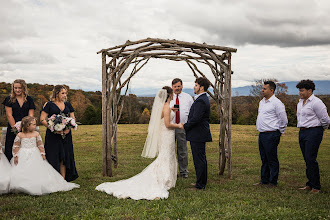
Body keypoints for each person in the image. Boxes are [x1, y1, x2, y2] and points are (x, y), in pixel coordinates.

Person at [96, 86, 183, 200]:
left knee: (168, 155)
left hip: (166, 135)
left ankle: (168, 179)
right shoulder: (166, 107)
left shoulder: (165, 107)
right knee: (165, 155)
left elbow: (160, 118)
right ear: (170, 95)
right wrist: (179, 125)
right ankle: (164, 179)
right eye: (172, 93)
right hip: (167, 134)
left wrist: (171, 111)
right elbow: (167, 124)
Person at [9, 116, 79, 195]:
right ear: (27, 125)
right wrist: (16, 155)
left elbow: (40, 145)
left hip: (34, 153)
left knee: (35, 169)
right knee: (22, 169)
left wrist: (42, 154)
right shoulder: (20, 135)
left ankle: (36, 184)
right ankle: (22, 185)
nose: (35, 126)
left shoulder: (36, 134)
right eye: (33, 124)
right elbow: (16, 146)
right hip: (23, 154)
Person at [296, 79, 330, 193]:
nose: (300, 93)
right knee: (307, 159)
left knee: (311, 158)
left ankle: (316, 186)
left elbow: (325, 119)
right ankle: (309, 184)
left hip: (313, 132)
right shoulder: (300, 102)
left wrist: (320, 130)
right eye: (299, 91)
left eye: (302, 90)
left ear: (310, 90)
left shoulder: (316, 102)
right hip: (302, 132)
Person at [40, 85, 78, 182]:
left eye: (65, 93)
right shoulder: (49, 104)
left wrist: (68, 128)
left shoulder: (68, 105)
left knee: (64, 156)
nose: (65, 95)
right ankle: (52, 178)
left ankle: (63, 179)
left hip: (66, 135)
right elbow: (42, 119)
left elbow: (72, 118)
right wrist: (52, 128)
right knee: (53, 155)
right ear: (56, 93)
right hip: (52, 135)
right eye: (63, 93)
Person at [254, 81, 288, 187]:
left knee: (271, 158)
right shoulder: (262, 102)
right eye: (262, 88)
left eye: (264, 89)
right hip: (262, 134)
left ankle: (273, 181)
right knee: (264, 158)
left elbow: (283, 119)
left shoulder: (277, 103)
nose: (262, 90)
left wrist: (279, 131)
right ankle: (264, 180)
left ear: (271, 90)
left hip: (272, 134)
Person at [183, 77, 212, 190]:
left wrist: (185, 126)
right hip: (198, 133)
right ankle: (200, 181)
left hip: (198, 134)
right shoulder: (202, 98)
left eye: (195, 85)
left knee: (199, 159)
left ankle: (200, 185)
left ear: (201, 87)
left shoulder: (201, 100)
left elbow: (196, 119)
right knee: (199, 159)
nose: (194, 87)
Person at [2, 79, 35, 161]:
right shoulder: (9, 99)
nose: (17, 90)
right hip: (13, 128)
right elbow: (9, 115)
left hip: (27, 128)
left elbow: (31, 115)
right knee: (11, 150)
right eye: (15, 88)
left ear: (24, 88)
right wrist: (16, 129)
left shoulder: (29, 99)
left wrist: (26, 127)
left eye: (19, 88)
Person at [170, 78, 193, 178]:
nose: (177, 88)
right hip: (169, 127)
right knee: (169, 150)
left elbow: (192, 111)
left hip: (182, 127)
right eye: (175, 87)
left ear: (182, 86)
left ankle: (183, 172)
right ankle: (170, 172)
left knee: (182, 150)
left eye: (179, 86)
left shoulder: (188, 97)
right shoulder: (169, 97)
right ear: (172, 87)